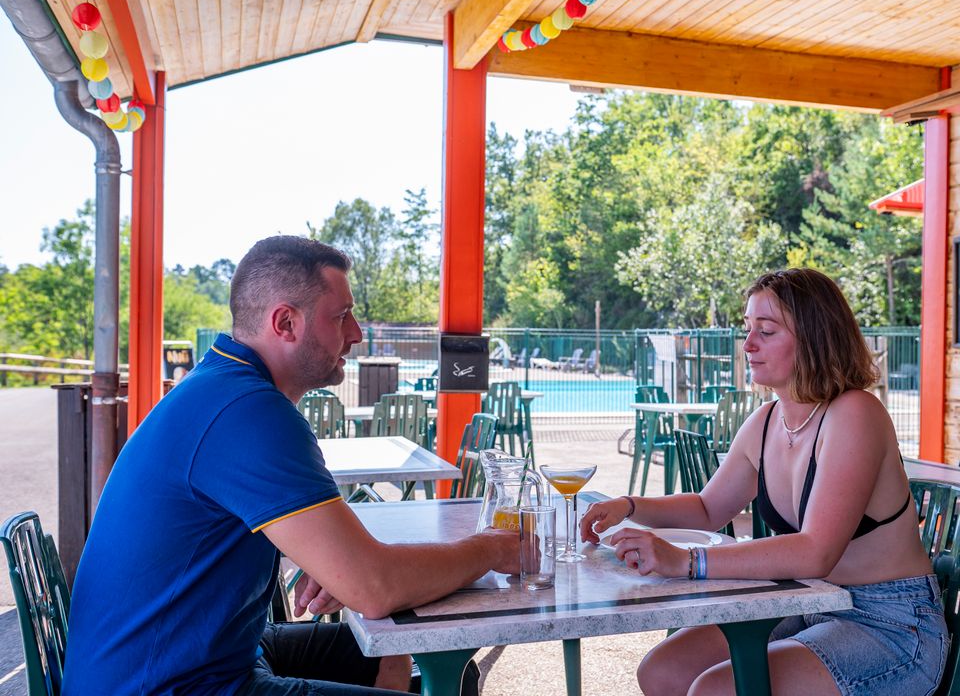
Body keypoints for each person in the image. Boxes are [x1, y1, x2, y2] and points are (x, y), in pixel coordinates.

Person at [62, 236, 519, 695]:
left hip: (203, 656)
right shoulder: (248, 411)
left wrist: (351, 572)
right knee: (413, 655)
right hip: (170, 684)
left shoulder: (220, 386)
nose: (357, 333)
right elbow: (375, 588)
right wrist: (493, 548)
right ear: (285, 322)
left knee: (446, 671)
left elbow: (363, 578)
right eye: (341, 316)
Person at [580, 268, 947, 696]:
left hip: (890, 624)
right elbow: (707, 508)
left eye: (766, 331)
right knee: (663, 670)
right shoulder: (766, 420)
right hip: (807, 605)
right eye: (747, 329)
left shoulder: (855, 414)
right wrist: (628, 506)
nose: (748, 345)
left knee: (714, 690)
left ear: (814, 337)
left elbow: (815, 552)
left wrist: (686, 561)